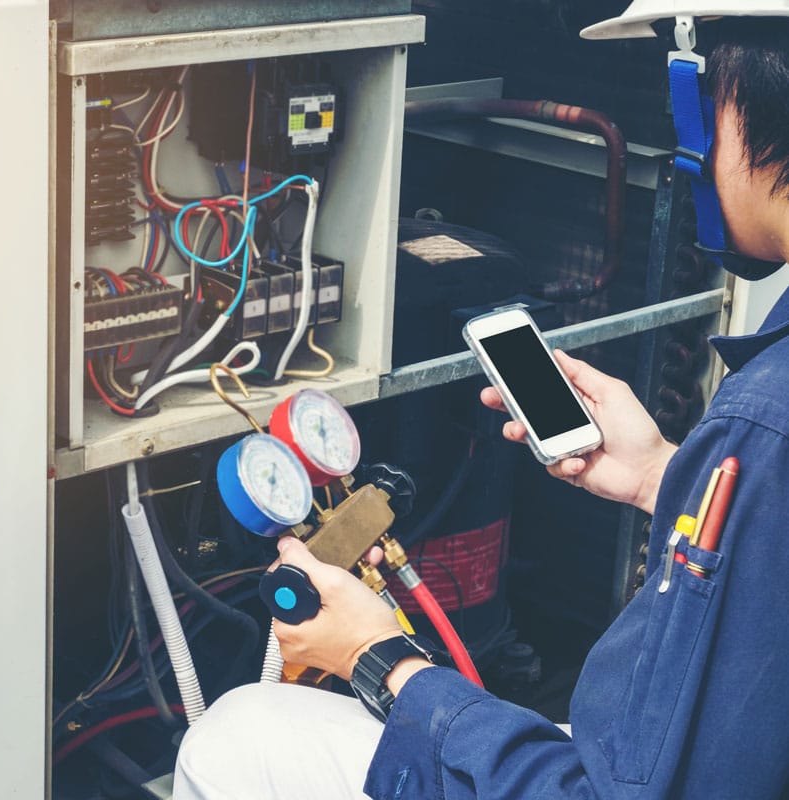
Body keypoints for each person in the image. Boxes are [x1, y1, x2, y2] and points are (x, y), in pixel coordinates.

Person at [174, 4, 789, 798]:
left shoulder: (766, 416)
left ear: (725, 101)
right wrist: (662, 478)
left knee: (232, 738)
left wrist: (383, 660)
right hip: (635, 753)